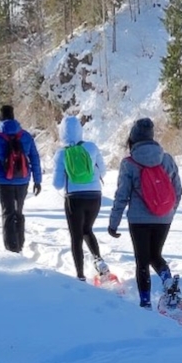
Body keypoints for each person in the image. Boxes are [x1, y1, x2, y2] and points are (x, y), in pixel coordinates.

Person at [107, 117, 182, 309]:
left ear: (133, 139)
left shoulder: (129, 163)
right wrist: (169, 214)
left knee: (142, 260)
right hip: (163, 218)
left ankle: (145, 302)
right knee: (155, 255)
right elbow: (177, 190)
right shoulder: (166, 159)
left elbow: (121, 195)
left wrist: (113, 223)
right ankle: (167, 282)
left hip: (139, 220)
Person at [51, 115, 110, 282]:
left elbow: (57, 184)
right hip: (95, 197)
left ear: (62, 132)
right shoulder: (92, 147)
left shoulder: (61, 154)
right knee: (87, 230)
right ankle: (99, 261)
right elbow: (103, 171)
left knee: (76, 236)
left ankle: (80, 275)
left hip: (74, 199)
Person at [0, 104, 42, 253]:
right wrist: (37, 180)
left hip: (4, 181)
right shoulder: (26, 136)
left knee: (8, 212)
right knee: (18, 211)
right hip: (23, 179)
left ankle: (11, 247)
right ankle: (20, 242)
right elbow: (34, 158)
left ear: (0, 118)